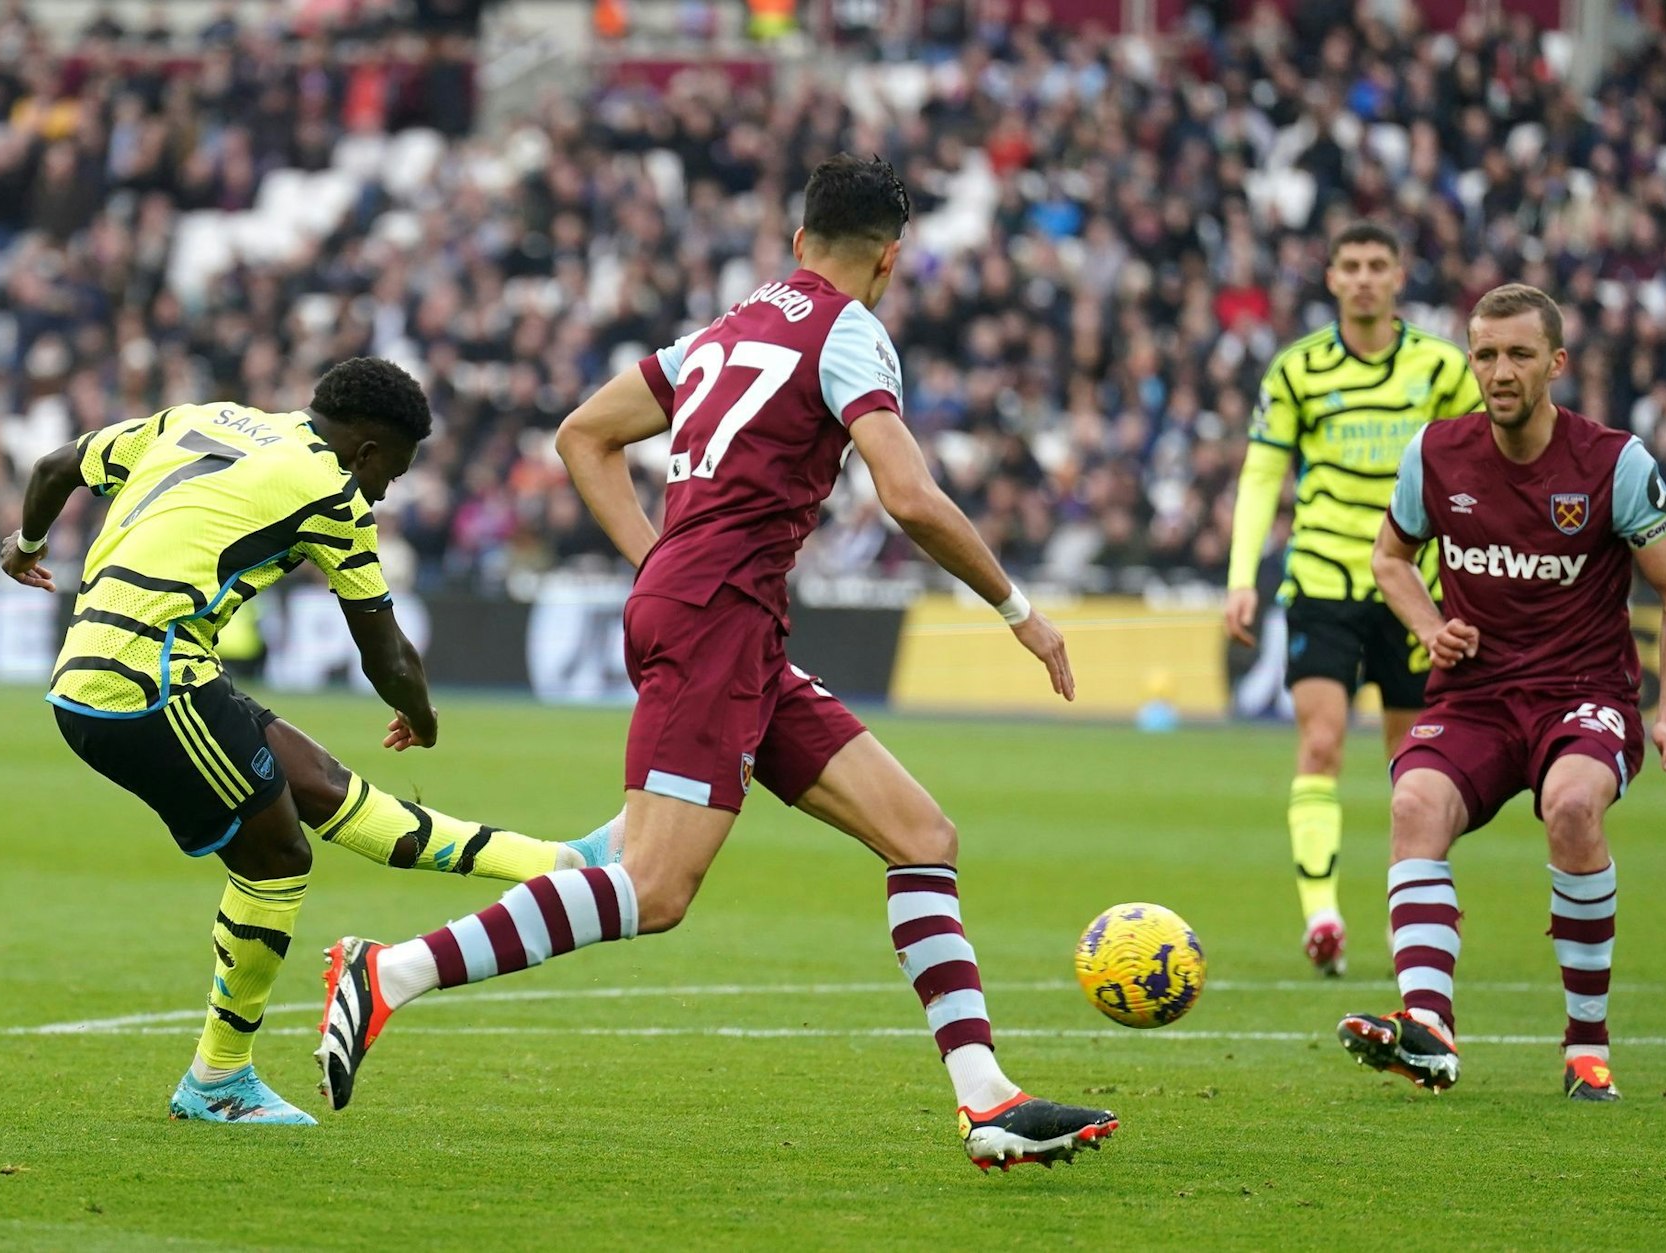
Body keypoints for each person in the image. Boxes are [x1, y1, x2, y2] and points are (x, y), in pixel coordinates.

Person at [314, 156, 1118, 1171]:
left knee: (920, 833)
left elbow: (583, 436)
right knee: (653, 890)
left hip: (719, 617)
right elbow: (908, 497)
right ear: (889, 260)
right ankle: (387, 971)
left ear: (795, 241)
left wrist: (661, 562)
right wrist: (1018, 608)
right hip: (716, 618)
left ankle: (985, 1097)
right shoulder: (849, 331)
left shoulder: (723, 330)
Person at [1, 358, 618, 1124]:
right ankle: (219, 1078)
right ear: (366, 451)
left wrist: (25, 543)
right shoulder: (332, 492)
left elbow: (56, 464)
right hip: (145, 683)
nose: (387, 489)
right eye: (392, 469)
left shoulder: (202, 417)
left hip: (124, 666)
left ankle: (564, 864)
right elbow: (386, 654)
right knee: (278, 859)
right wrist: (422, 717)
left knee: (325, 788)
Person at [1337, 284, 1666, 1100]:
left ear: (1556, 363)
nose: (1499, 371)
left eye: (1518, 355)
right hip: (1474, 695)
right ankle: (1429, 1028)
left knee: (1572, 807)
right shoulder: (1435, 454)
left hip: (1583, 693)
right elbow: (1391, 558)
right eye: (1485, 354)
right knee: (1413, 806)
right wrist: (1432, 625)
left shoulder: (1613, 462)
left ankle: (1586, 1046)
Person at [1224, 222, 1483, 977]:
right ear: (1331, 278)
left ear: (1399, 275)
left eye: (1379, 265)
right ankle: (1324, 918)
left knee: (1415, 769)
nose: (1365, 278)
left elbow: (1480, 469)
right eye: (1352, 266)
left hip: (1415, 592)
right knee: (1320, 743)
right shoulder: (1298, 369)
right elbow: (1262, 475)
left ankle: (1416, 916)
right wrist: (1243, 576)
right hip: (1323, 583)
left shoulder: (1439, 367)